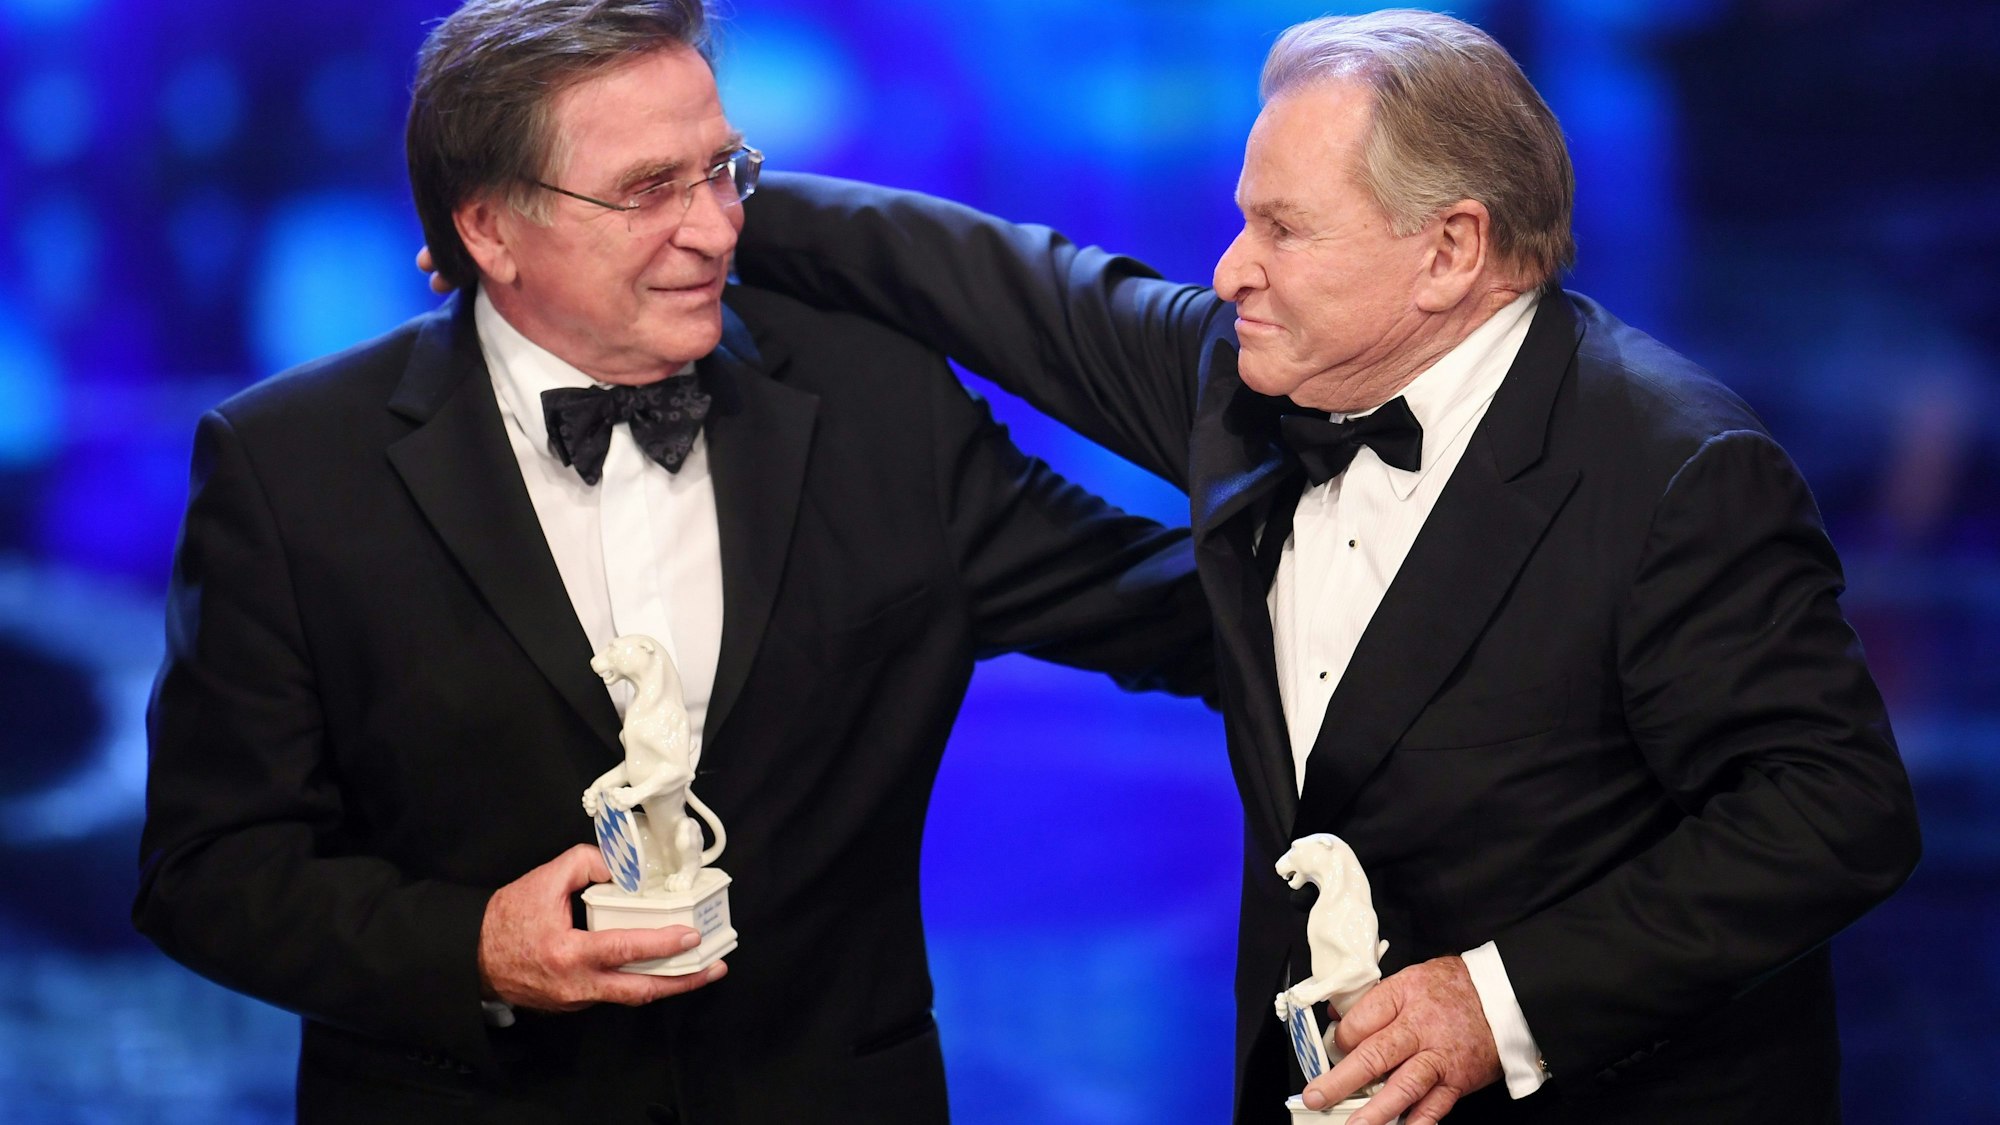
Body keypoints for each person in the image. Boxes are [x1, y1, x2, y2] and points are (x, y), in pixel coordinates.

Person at [729, 10, 1922, 1124]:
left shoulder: (1675, 472)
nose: (1232, 267)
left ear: (1450, 248)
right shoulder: (1255, 375)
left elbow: (1835, 814)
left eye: (1282, 228)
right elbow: (1000, 283)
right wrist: (711, 199)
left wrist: (1495, 1002)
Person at [133, 1, 1213, 1122]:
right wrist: (474, 949)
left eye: (724, 170)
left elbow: (1183, 614)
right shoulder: (292, 465)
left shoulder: (874, 403)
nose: (715, 229)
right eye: (648, 189)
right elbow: (208, 873)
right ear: (490, 232)